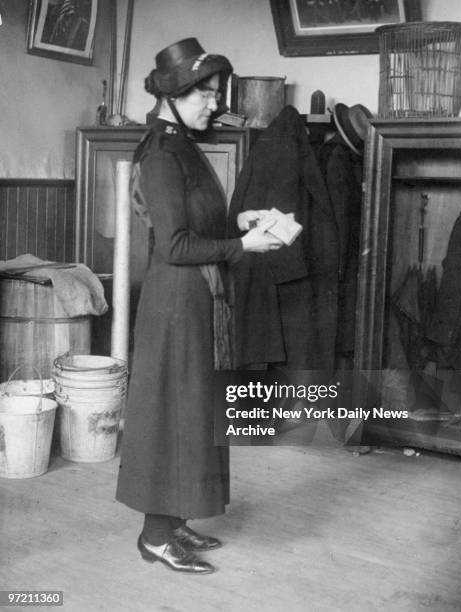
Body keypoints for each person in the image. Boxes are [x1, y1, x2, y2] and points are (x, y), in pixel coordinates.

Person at [115, 37, 283, 575]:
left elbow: (199, 225)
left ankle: (174, 521)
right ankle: (154, 536)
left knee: (191, 413)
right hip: (175, 303)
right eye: (205, 94)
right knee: (173, 415)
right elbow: (175, 246)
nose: (215, 103)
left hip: (196, 299)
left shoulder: (182, 143)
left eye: (216, 93)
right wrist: (243, 247)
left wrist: (241, 221)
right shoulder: (161, 154)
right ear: (175, 94)